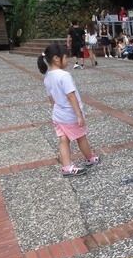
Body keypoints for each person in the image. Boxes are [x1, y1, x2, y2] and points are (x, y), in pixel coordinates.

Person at [37, 44, 100, 177]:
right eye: (66, 57)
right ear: (56, 58)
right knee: (81, 137)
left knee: (63, 140)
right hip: (69, 115)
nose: (68, 60)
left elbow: (51, 99)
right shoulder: (64, 75)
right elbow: (71, 96)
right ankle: (90, 159)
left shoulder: (47, 76)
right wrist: (79, 115)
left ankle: (67, 167)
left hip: (57, 115)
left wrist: (56, 111)